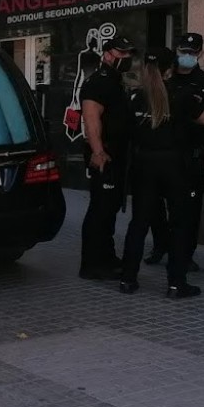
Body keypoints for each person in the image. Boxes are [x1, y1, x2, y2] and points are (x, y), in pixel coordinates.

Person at [119, 48, 204, 298]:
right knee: (179, 223)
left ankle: (127, 279)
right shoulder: (182, 94)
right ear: (170, 69)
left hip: (143, 163)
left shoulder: (135, 96)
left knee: (139, 223)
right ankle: (175, 283)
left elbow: (126, 130)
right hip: (174, 164)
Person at [145, 33, 204, 270]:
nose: (186, 56)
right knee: (155, 204)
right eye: (182, 51)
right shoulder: (165, 80)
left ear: (200, 53)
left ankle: (184, 254)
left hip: (193, 153)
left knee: (189, 207)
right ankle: (161, 245)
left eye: (191, 52)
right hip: (163, 152)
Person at [78, 35, 136, 280]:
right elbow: (91, 118)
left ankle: (107, 256)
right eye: (122, 54)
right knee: (100, 208)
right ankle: (93, 263)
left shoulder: (114, 80)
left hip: (117, 154)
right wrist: (98, 152)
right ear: (109, 53)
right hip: (105, 154)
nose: (127, 58)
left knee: (109, 208)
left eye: (129, 54)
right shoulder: (99, 82)